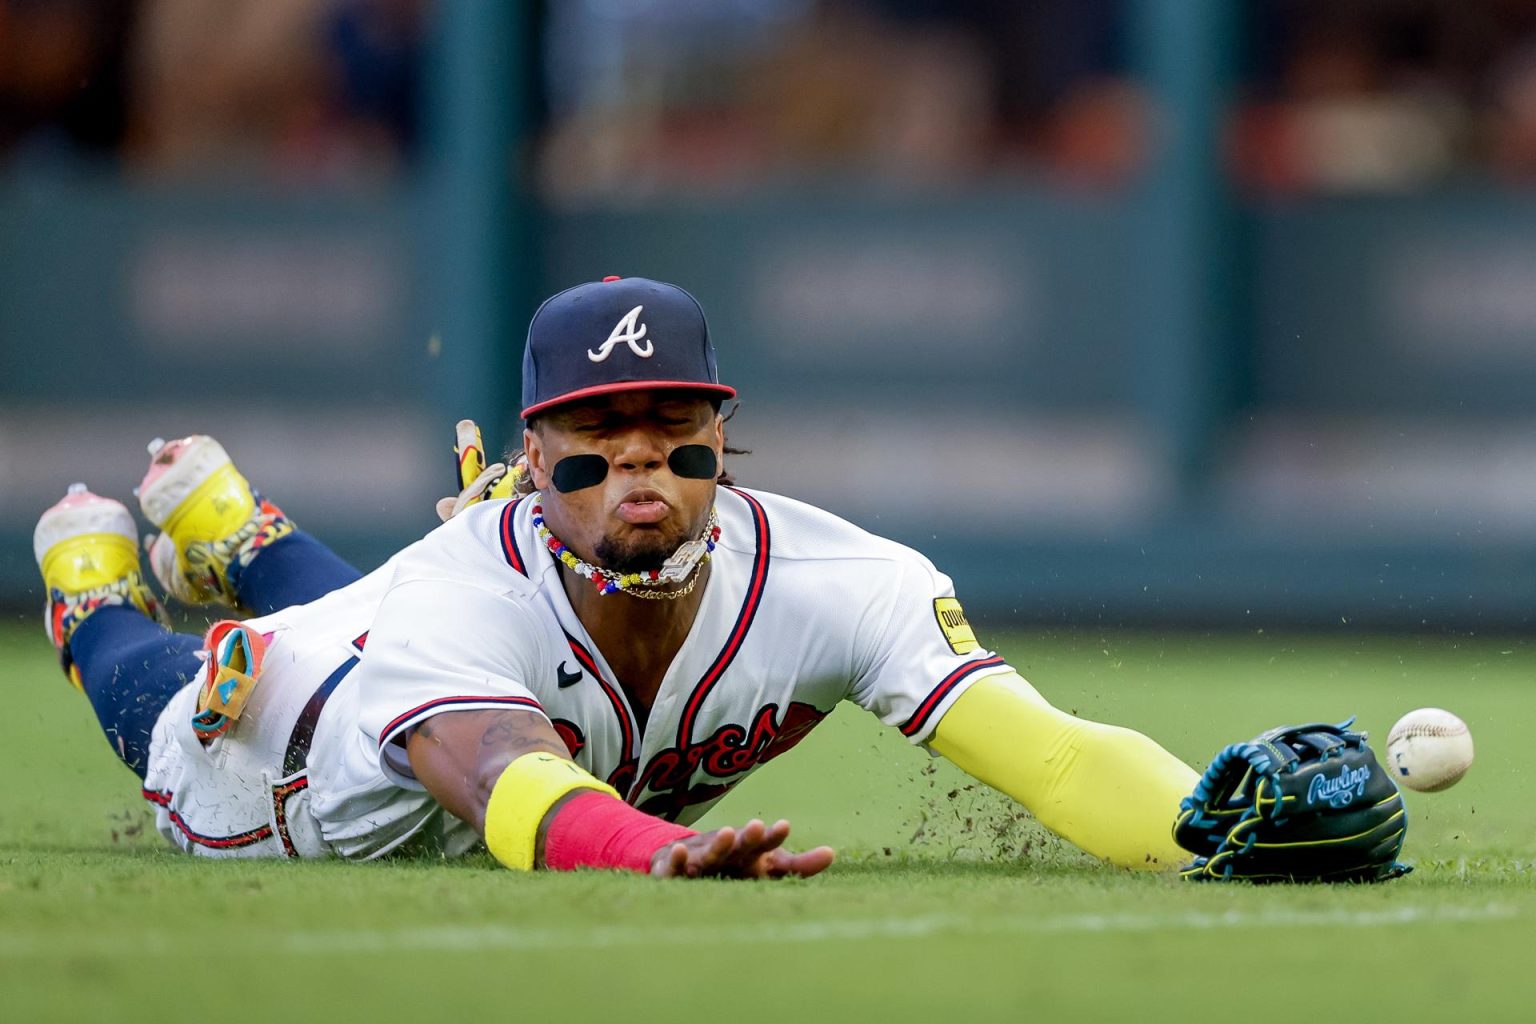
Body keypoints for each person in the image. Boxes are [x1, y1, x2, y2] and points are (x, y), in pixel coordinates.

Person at [34, 275, 1203, 878]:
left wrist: (1210, 829)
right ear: (530, 457)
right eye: (595, 426)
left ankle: (236, 530)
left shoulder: (838, 576)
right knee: (165, 699)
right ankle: (91, 595)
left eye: (668, 418)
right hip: (288, 768)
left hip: (452, 635)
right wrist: (654, 849)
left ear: (721, 432)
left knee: (410, 607)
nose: (637, 449)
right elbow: (504, 778)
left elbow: (1051, 752)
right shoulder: (460, 587)